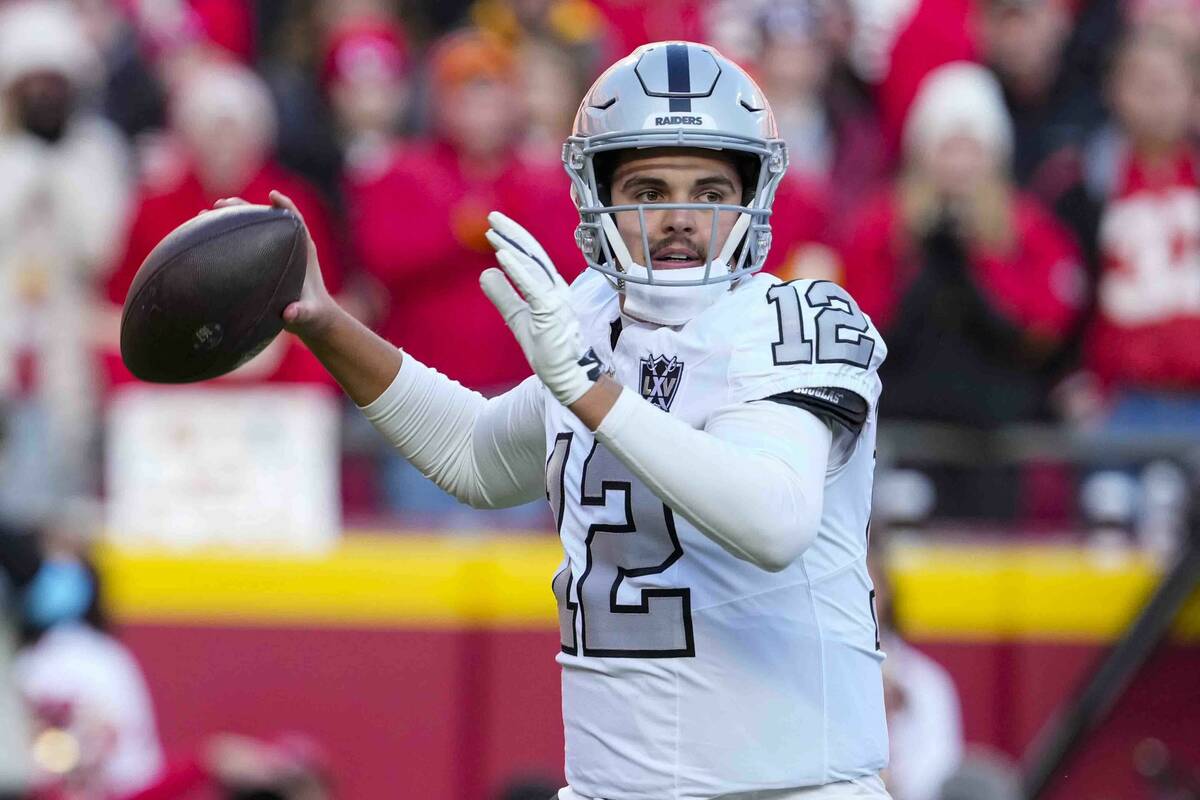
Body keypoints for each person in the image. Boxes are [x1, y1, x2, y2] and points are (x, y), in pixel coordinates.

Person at [215, 40, 891, 799]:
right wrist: (327, 321)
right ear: (598, 195)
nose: (678, 218)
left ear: (752, 198)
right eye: (646, 190)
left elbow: (774, 520)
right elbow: (474, 453)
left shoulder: (794, 318)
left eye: (708, 191)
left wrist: (589, 390)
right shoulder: (593, 320)